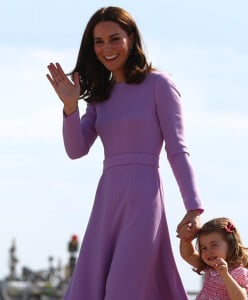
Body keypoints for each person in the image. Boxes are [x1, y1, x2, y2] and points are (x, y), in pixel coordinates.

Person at [46, 6, 204, 300]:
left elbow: (178, 149)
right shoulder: (99, 96)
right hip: (108, 200)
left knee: (123, 289)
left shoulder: (159, 84)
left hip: (145, 199)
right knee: (93, 288)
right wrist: (70, 107)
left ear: (131, 38)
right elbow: (76, 150)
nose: (106, 48)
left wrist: (194, 208)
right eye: (98, 41)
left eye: (114, 38)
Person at [180, 217, 248, 300]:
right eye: (204, 248)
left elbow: (240, 298)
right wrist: (185, 239)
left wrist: (225, 275)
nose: (208, 252)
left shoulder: (239, 272)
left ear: (231, 245)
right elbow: (188, 255)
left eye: (214, 245)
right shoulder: (209, 267)